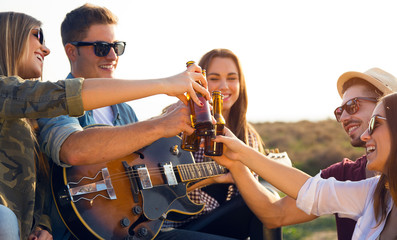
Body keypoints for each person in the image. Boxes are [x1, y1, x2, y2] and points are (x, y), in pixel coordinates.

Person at [0, 11, 208, 240]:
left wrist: (42, 226)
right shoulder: (34, 101)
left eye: (117, 47)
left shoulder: (28, 119)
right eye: (37, 35)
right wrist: (166, 85)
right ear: (9, 37)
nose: (47, 49)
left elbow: (35, 190)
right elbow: (72, 138)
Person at [206, 67, 397, 240]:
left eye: (353, 105)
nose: (344, 117)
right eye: (340, 111)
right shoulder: (366, 188)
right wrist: (238, 160)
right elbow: (284, 208)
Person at [162, 49, 283, 240]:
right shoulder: (179, 120)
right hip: (177, 223)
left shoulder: (246, 135)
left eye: (232, 78)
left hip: (218, 220)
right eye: (215, 78)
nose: (224, 86)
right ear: (199, 82)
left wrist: (242, 175)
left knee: (267, 198)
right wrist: (217, 178)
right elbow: (159, 183)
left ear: (240, 84)